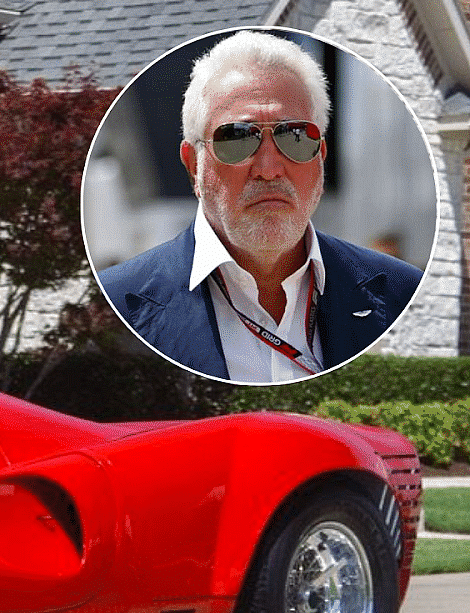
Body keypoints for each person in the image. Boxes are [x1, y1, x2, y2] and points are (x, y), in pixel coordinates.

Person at [97, 30, 422, 383]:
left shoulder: (402, 293)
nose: (269, 170)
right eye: (237, 138)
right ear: (194, 165)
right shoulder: (115, 305)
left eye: (295, 137)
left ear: (320, 159)